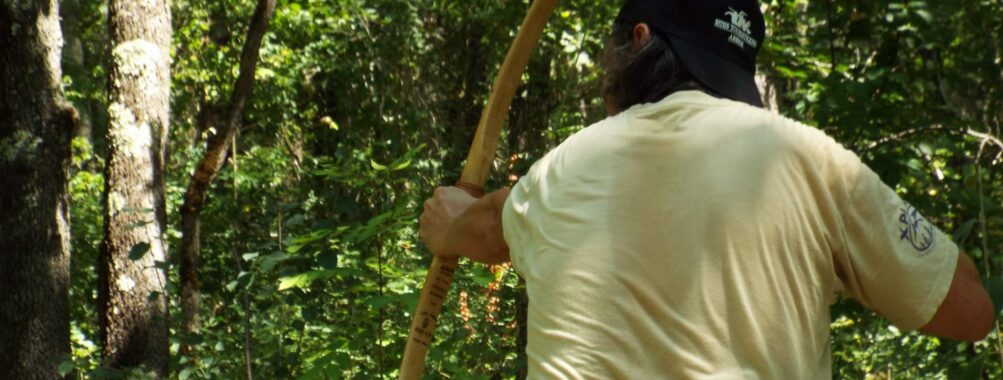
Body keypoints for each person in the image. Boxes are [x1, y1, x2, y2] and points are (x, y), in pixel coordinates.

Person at [418, 0, 994, 377]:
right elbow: (970, 311)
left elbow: (480, 226)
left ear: (637, 38)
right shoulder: (809, 162)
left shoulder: (556, 173)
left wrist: (449, 222)